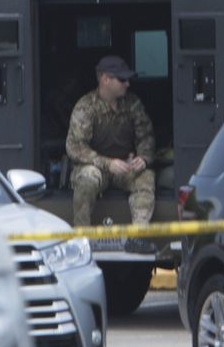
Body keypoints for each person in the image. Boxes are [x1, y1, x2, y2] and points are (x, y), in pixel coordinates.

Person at [66, 55, 156, 242]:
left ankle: (138, 237)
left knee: (146, 178)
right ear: (105, 79)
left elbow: (146, 136)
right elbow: (75, 147)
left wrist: (143, 158)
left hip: (125, 166)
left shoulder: (132, 104)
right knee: (87, 179)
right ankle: (82, 238)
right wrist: (107, 163)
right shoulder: (86, 107)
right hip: (95, 166)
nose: (127, 84)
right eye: (122, 79)